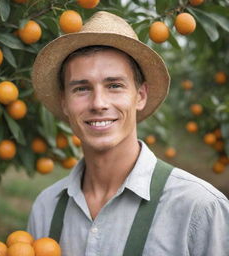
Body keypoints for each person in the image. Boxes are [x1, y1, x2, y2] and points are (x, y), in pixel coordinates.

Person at [28, 11, 229, 256]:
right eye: (81, 88)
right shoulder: (46, 207)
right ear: (64, 103)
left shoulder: (198, 208)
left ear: (140, 96)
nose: (99, 103)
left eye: (114, 85)